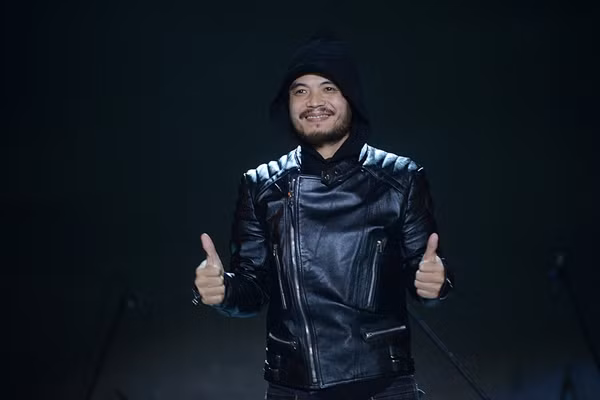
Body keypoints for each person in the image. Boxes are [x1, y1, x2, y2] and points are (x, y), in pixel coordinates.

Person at [193, 35, 453, 400]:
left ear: (351, 98)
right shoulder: (260, 185)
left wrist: (433, 283)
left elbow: (422, 278)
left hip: (381, 387)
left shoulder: (400, 178)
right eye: (300, 91)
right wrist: (223, 291)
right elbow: (253, 286)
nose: (313, 102)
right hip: (293, 386)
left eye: (328, 88)